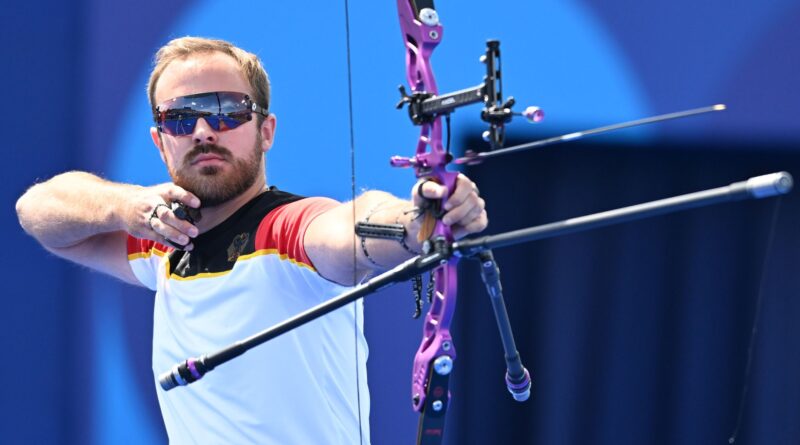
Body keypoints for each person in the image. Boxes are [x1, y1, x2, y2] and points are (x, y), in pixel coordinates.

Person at [15, 37, 487, 444]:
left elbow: (349, 229)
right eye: (181, 117)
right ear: (161, 142)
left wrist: (421, 220)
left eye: (226, 112)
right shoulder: (163, 240)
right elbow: (38, 213)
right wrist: (124, 207)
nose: (202, 131)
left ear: (265, 132)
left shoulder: (287, 231)